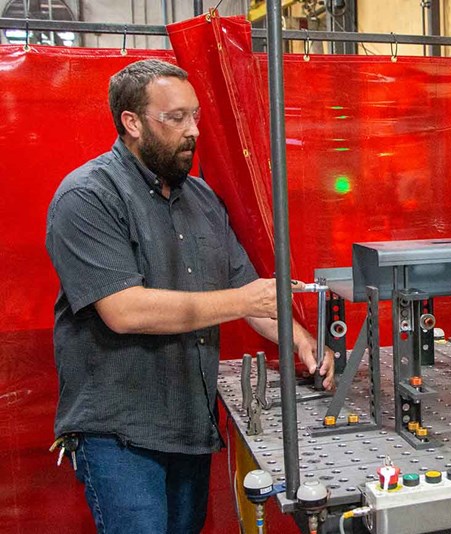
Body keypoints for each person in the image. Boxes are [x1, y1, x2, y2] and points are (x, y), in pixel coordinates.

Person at [45, 59, 332, 533]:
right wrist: (244, 302)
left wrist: (302, 341)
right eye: (175, 118)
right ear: (132, 123)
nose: (193, 130)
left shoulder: (202, 200)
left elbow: (250, 293)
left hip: (189, 427)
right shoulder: (88, 197)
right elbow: (124, 310)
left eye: (194, 116)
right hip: (120, 435)